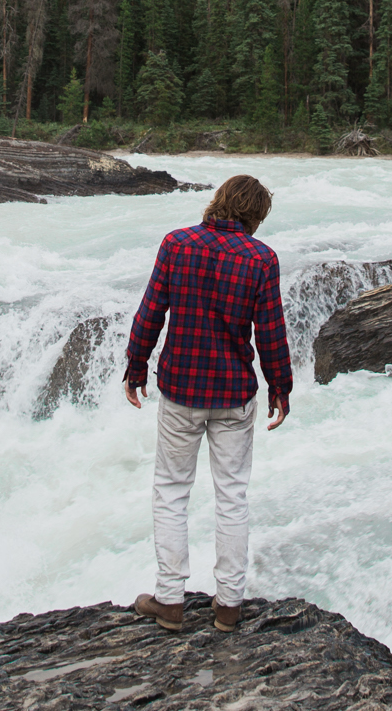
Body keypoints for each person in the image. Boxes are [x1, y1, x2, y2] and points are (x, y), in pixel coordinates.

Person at [123, 173, 292, 634]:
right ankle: (229, 606)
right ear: (255, 215)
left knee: (172, 490)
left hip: (181, 389)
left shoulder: (177, 245)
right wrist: (281, 387)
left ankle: (171, 600)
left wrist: (135, 367)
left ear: (218, 201)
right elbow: (270, 331)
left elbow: (150, 312)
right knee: (232, 496)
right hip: (235, 393)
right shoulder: (262, 259)